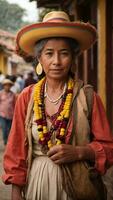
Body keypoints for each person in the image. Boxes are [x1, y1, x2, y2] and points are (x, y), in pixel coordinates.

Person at [2, 11, 113, 200]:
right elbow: (16, 149)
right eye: (49, 53)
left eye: (64, 53)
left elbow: (108, 149)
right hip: (36, 184)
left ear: (73, 58)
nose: (56, 61)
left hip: (78, 187)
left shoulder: (88, 97)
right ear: (39, 59)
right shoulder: (27, 97)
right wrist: (15, 190)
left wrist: (79, 152)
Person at [0, 79, 16, 145]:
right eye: (6, 85)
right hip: (2, 114)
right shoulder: (1, 93)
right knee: (4, 129)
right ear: (4, 86)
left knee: (9, 129)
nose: (7, 87)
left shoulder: (12, 94)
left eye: (9, 85)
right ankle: (5, 141)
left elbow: (14, 104)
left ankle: (9, 142)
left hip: (10, 115)